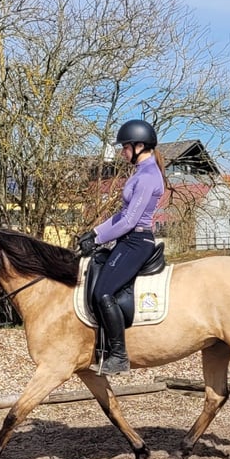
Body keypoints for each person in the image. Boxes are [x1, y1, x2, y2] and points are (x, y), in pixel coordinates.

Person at [77, 119, 166, 375]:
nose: (122, 152)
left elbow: (129, 220)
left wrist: (98, 239)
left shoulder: (149, 176)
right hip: (128, 238)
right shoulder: (140, 173)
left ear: (139, 146)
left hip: (138, 240)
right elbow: (121, 215)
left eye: (125, 147)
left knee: (103, 292)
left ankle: (118, 354)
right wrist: (93, 233)